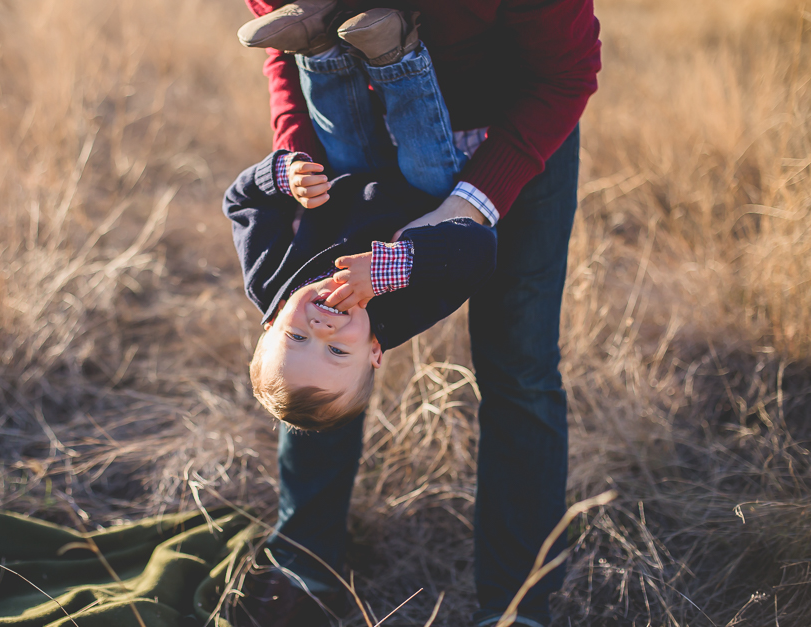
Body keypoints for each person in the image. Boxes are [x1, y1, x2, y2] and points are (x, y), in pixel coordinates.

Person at [234, 1, 602, 626]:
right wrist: (299, 159)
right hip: (355, 130)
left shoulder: (324, 295)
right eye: (298, 332)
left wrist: (465, 208)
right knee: (311, 383)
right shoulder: (302, 318)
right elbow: (283, 44)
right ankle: (305, 566)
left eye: (299, 332)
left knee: (520, 364)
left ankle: (516, 608)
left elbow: (564, 73)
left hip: (514, 124)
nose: (318, 327)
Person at [223, 11, 497, 434]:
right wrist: (399, 265)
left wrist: (283, 176)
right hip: (425, 191)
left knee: (341, 141)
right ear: (375, 353)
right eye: (336, 351)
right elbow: (481, 252)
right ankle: (394, 53)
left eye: (297, 338)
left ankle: (318, 48)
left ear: (271, 324)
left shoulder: (267, 281)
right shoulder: (402, 314)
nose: (321, 328)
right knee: (426, 165)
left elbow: (241, 203)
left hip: (348, 171)